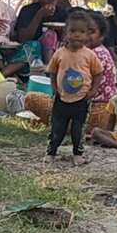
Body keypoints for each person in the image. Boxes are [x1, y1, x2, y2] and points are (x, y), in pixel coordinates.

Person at [44, 12, 104, 159]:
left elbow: (98, 73)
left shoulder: (89, 55)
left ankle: (78, 154)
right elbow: (52, 71)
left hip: (81, 99)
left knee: (78, 130)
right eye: (73, 31)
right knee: (57, 128)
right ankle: (51, 152)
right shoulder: (59, 53)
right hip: (61, 98)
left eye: (81, 32)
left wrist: (93, 90)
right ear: (65, 33)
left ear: (87, 35)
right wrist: (54, 87)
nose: (77, 35)